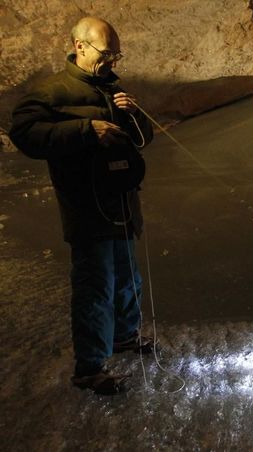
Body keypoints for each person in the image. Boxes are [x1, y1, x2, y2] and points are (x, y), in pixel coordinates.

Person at [10, 17, 156, 395]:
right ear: (80, 46)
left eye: (115, 55)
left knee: (128, 279)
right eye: (106, 54)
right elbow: (24, 134)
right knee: (96, 285)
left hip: (121, 203)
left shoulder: (112, 89)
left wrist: (134, 113)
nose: (113, 62)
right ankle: (89, 367)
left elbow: (143, 138)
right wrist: (84, 129)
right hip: (86, 208)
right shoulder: (52, 92)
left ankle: (124, 336)